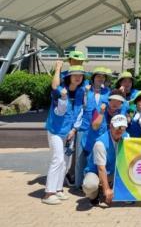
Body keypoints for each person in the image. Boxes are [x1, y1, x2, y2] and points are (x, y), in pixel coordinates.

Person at [43, 64, 86, 205]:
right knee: (58, 159)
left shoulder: (80, 92)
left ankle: (58, 189)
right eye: (75, 75)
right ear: (69, 77)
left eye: (80, 75)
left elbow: (79, 112)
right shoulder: (60, 90)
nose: (78, 77)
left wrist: (74, 130)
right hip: (56, 130)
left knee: (66, 162)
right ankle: (49, 193)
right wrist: (57, 68)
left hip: (69, 132)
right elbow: (60, 111)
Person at [74, 66, 111, 190]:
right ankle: (79, 184)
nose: (100, 79)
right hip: (85, 127)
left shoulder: (108, 92)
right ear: (93, 78)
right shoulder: (84, 90)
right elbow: (78, 108)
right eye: (98, 76)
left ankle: (98, 184)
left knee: (98, 156)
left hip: (101, 129)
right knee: (81, 158)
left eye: (103, 77)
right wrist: (74, 127)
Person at [82, 114, 129, 206]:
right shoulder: (100, 144)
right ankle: (94, 196)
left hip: (113, 172)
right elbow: (101, 169)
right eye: (117, 127)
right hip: (96, 172)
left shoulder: (127, 137)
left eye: (122, 127)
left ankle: (120, 192)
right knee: (89, 185)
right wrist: (106, 190)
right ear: (110, 126)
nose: (119, 130)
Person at [83, 90, 126, 155]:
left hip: (107, 148)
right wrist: (101, 113)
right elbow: (95, 127)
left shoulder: (121, 114)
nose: (115, 103)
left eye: (118, 101)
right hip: (91, 146)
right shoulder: (98, 110)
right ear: (109, 101)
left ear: (121, 104)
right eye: (113, 100)